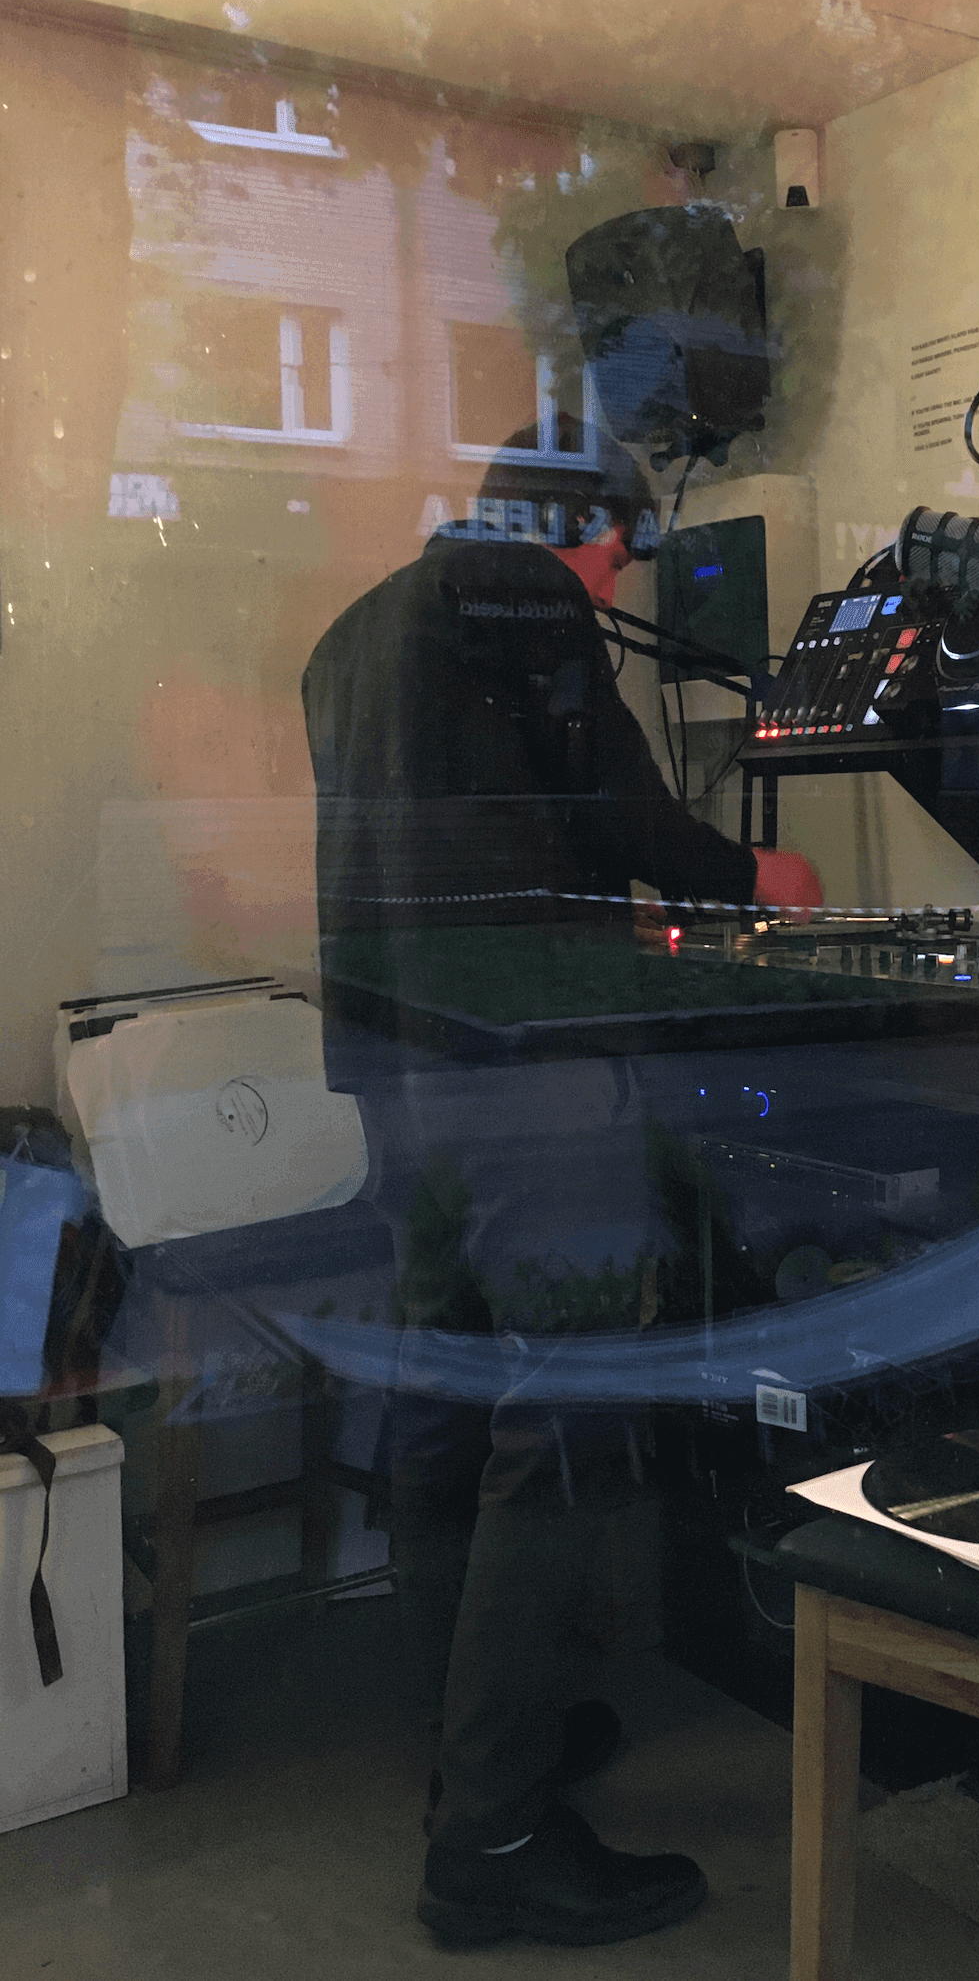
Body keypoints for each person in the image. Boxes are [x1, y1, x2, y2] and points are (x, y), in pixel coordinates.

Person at [302, 437, 821, 1947]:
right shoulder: (517, 589)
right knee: (559, 1423)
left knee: (448, 1407)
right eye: (621, 558)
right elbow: (619, 820)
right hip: (524, 1070)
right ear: (587, 526)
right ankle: (496, 1840)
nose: (613, 592)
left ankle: (477, 1752)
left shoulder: (351, 636)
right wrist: (759, 878)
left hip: (401, 1068)